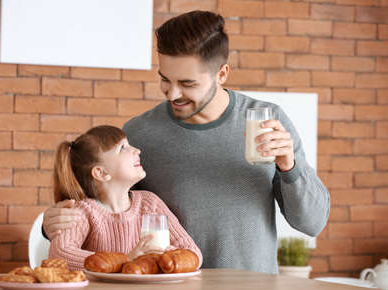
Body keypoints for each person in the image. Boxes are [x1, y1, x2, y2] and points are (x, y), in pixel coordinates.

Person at [43, 10, 330, 274]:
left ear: (222, 74)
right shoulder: (140, 133)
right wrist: (52, 225)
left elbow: (312, 223)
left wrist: (289, 166)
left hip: (252, 289)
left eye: (188, 84)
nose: (171, 94)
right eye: (165, 79)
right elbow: (105, 211)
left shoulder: (266, 123)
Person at [48, 125, 202, 270]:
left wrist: (174, 257)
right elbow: (60, 254)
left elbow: (193, 252)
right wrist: (125, 259)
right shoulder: (83, 212)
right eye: (123, 148)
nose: (137, 150)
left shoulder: (150, 203)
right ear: (101, 173)